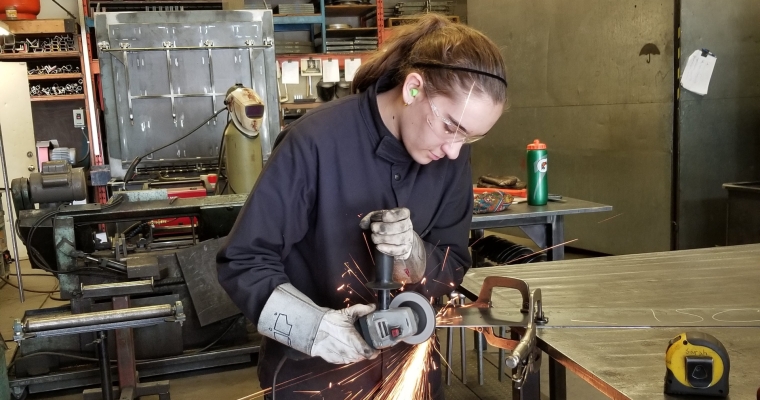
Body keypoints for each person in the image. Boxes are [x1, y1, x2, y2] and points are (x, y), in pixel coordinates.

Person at [217, 13, 507, 399]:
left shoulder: (450, 157)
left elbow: (453, 262)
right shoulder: (315, 141)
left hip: (409, 376)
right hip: (315, 381)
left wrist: (416, 256)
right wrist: (315, 327)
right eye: (450, 127)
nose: (454, 149)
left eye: (469, 138)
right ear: (414, 89)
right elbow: (243, 262)